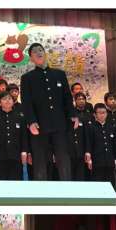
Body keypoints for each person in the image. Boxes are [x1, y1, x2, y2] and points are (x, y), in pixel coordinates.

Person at [20, 43, 77, 180]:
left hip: (60, 125)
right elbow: (26, 102)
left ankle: (67, 189)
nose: (38, 52)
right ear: (31, 58)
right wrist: (31, 121)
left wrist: (73, 115)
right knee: (40, 162)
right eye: (35, 51)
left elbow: (67, 98)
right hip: (39, 126)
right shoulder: (27, 78)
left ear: (45, 53)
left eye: (41, 50)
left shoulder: (59, 74)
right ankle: (42, 191)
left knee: (63, 159)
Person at [0, 91, 28, 180]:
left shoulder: (20, 117)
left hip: (16, 155)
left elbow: (24, 136)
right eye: (4, 99)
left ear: (13, 102)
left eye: (9, 99)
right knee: (1, 180)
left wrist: (24, 151)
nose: (7, 100)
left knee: (16, 180)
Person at [85, 103, 116, 185]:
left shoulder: (111, 127)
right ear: (95, 114)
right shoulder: (91, 127)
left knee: (111, 184)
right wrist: (89, 159)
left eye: (104, 112)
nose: (102, 115)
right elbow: (89, 143)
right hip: (97, 161)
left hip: (110, 161)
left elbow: (114, 144)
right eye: (99, 113)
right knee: (98, 184)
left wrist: (115, 158)